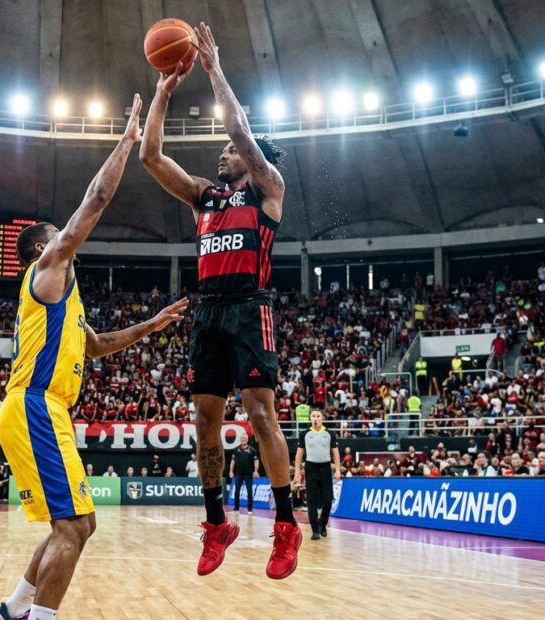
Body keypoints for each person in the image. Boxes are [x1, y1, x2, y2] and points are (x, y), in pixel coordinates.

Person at [0, 96, 190, 620]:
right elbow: (97, 198)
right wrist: (126, 142)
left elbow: (96, 345)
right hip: (35, 405)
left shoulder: (66, 300)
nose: (68, 238)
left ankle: (12, 611)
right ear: (42, 249)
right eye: (59, 234)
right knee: (73, 527)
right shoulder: (49, 268)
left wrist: (152, 323)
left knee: (78, 525)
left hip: (45, 409)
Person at [140, 22, 300, 580]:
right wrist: (162, 93)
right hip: (206, 309)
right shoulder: (205, 199)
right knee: (204, 421)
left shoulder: (267, 185)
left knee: (259, 413)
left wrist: (210, 69)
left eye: (228, 151)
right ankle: (216, 523)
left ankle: (285, 525)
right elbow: (152, 157)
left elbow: (236, 123)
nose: (221, 154)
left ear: (250, 155)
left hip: (248, 306)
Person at [293, 410, 341, 540]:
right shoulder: (305, 434)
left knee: (327, 500)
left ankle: (323, 524)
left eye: (318, 416)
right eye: (313, 416)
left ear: (322, 418)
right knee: (312, 501)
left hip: (325, 468)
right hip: (310, 468)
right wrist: (297, 470)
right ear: (310, 418)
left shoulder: (330, 433)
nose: (315, 418)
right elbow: (299, 454)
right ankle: (315, 529)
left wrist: (337, 469)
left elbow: (335, 453)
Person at [229, 435, 259, 514]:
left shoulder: (252, 450)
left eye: (244, 439)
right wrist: (231, 471)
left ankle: (249, 509)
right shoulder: (236, 450)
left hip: (248, 474)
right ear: (240, 440)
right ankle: (236, 508)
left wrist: (256, 471)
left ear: (247, 440)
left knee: (249, 492)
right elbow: (233, 461)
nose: (243, 440)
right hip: (239, 474)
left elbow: (256, 461)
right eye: (242, 438)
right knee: (236, 492)